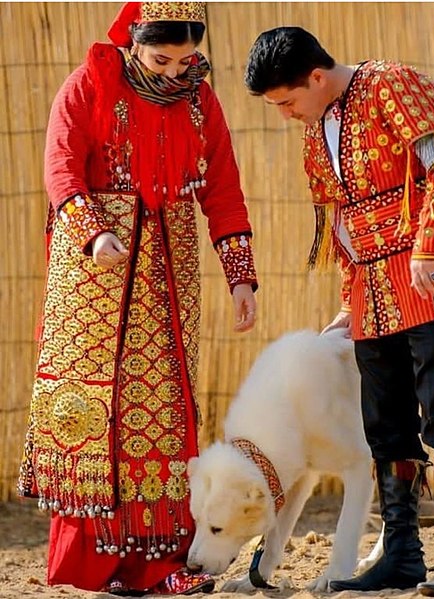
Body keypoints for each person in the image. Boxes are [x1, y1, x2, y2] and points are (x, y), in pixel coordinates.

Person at [17, 2, 258, 596]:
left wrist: (240, 276)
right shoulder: (89, 84)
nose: (177, 72)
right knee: (100, 413)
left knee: (162, 413)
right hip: (96, 266)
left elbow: (222, 186)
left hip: (168, 270)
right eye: (162, 59)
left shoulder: (200, 100)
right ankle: (95, 562)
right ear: (132, 43)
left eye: (187, 59)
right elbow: (61, 169)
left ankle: (159, 566)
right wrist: (94, 230)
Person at [244, 26, 434, 596]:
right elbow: (340, 226)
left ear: (317, 78)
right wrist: (350, 299)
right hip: (373, 291)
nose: (285, 115)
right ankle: (402, 554)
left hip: (431, 276)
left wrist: (429, 247)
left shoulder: (395, 84)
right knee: (385, 424)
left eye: (287, 102)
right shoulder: (314, 131)